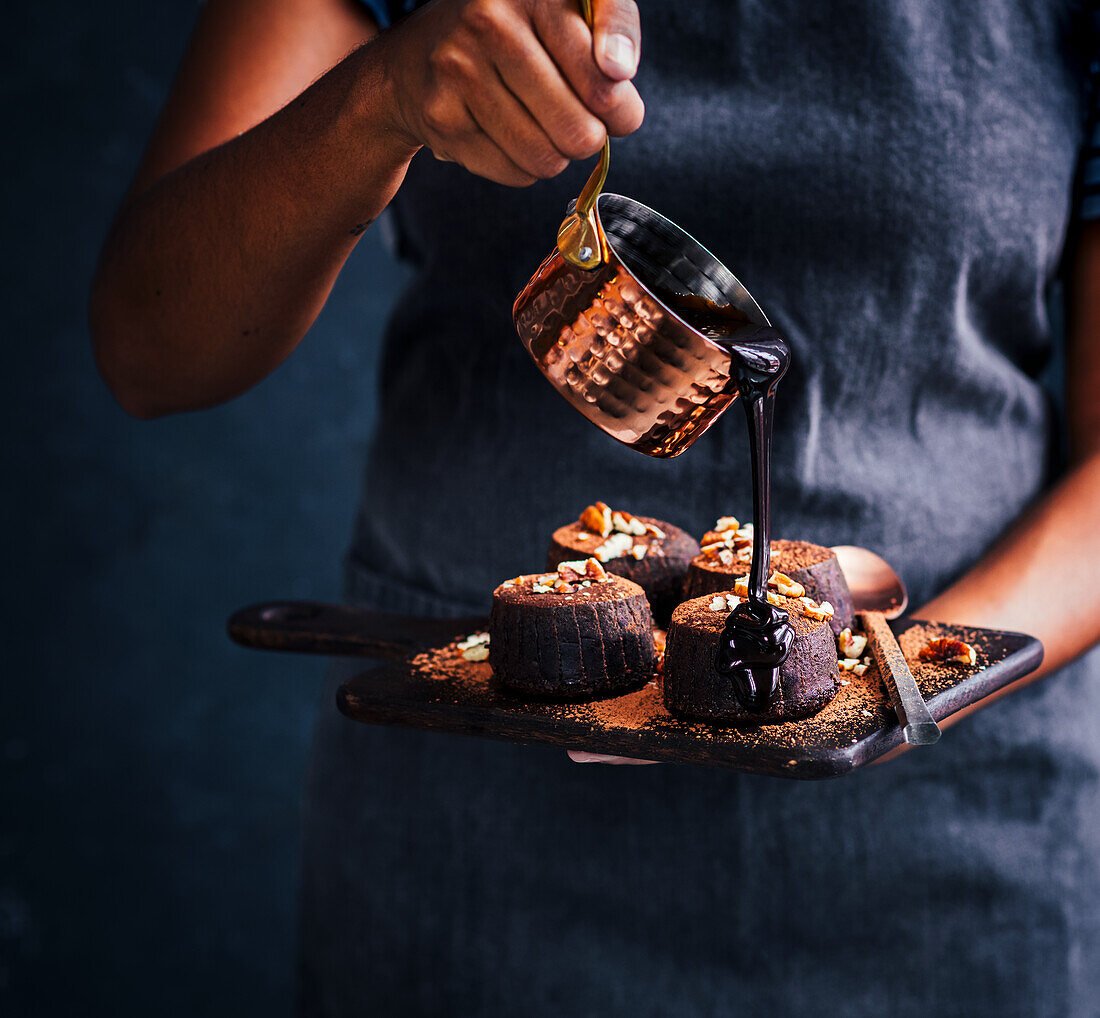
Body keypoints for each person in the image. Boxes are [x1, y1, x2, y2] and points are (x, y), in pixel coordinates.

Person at [90, 1, 1100, 1014]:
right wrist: (376, 100)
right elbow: (149, 348)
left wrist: (898, 678)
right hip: (469, 832)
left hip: (950, 835)